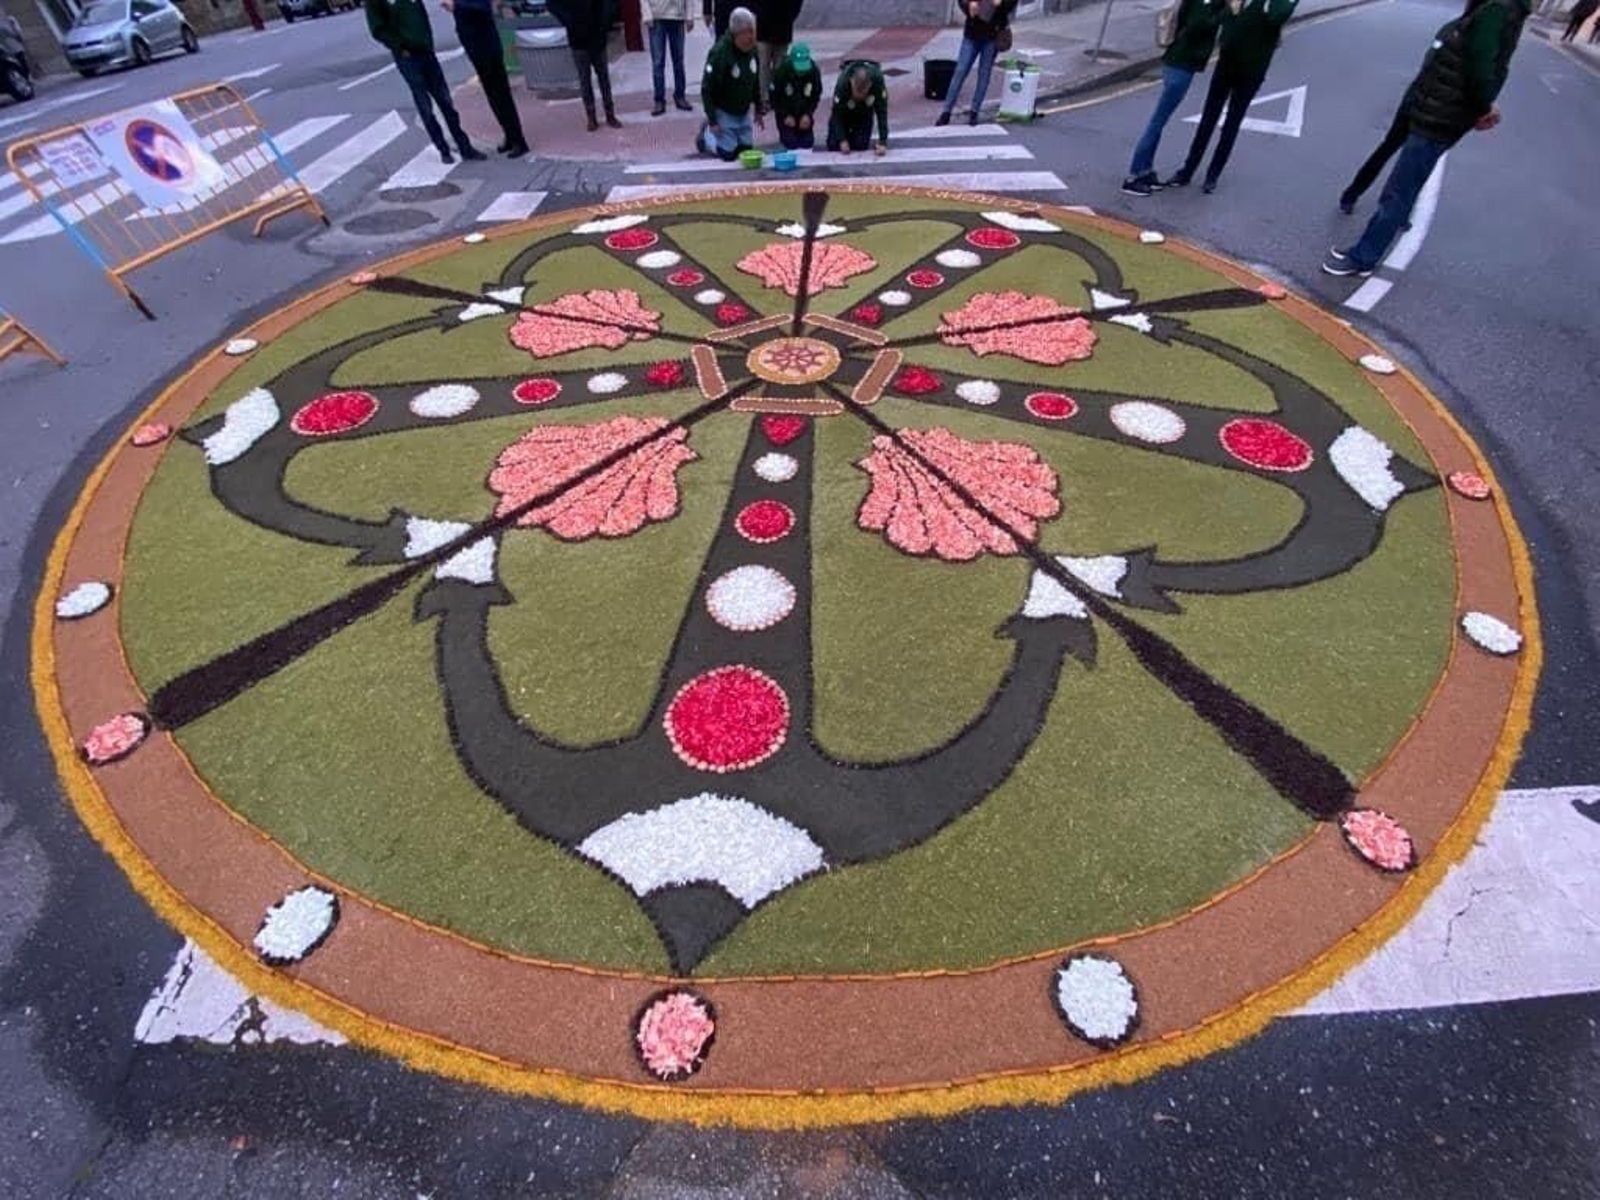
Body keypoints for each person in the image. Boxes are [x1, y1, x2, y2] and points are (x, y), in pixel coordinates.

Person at [1324, 0, 1531, 277]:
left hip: (1440, 116)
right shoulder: (1494, 9)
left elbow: (1483, 67)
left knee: (1399, 191)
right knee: (1401, 188)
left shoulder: (1496, 10)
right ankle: (1364, 248)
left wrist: (1483, 107)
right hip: (1432, 109)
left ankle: (1364, 258)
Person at [1165, 0, 1296, 193]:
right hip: (1226, 63)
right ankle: (1188, 170)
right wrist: (1231, 13)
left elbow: (1278, 15)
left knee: (1232, 124)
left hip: (1252, 70)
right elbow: (1223, 20)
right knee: (1208, 119)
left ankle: (1213, 175)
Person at [1121, 0, 1228, 195]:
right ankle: (1133, 175)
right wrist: (1223, 13)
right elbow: (1198, 24)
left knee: (1160, 122)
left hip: (1181, 61)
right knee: (1157, 122)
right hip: (1181, 63)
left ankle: (1146, 170)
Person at [366, 0, 486, 164]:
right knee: (425, 106)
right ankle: (443, 149)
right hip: (407, 57)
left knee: (446, 102)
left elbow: (421, 15)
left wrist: (428, 41)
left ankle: (465, 147)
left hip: (426, 52)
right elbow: (378, 29)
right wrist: (400, 46)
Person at [444, 0, 528, 157]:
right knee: (492, 95)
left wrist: (456, 6)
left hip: (487, 45)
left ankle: (519, 140)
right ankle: (509, 135)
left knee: (501, 94)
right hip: (475, 46)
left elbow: (483, 7)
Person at [936, 0, 1017, 127]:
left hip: (992, 37)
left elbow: (1011, 6)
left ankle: (974, 111)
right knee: (960, 71)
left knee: (984, 76)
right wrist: (968, 5)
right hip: (972, 35)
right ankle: (946, 112)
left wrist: (1001, 4)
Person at [698, 7, 765, 159]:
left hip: (742, 111)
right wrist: (713, 119)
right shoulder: (719, 53)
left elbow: (755, 81)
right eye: (749, 32)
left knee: (745, 152)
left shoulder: (752, 50)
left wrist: (758, 109)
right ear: (737, 33)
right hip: (724, 111)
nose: (752, 37)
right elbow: (706, 89)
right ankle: (706, 136)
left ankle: (734, 137)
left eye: (753, 31)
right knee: (728, 155)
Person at [547, 0, 622, 131]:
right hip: (578, 39)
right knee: (585, 80)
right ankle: (591, 116)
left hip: (598, 35)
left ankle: (610, 114)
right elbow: (552, 4)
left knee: (604, 78)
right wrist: (569, 22)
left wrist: (606, 22)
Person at [645, 0, 696, 116]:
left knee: (679, 60)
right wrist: (647, 14)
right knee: (658, 62)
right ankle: (659, 99)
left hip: (677, 16)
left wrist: (690, 16)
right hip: (656, 17)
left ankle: (680, 95)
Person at [827, 59, 889, 155]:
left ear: (870, 85)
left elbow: (882, 112)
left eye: (863, 93)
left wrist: (883, 142)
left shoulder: (878, 82)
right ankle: (845, 136)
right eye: (857, 92)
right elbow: (837, 114)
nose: (859, 97)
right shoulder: (842, 83)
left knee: (861, 145)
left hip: (864, 112)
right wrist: (842, 139)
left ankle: (855, 136)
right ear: (851, 81)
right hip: (844, 112)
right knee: (833, 145)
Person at [770, 42, 822, 149]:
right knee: (791, 143)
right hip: (786, 111)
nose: (801, 71)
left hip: (803, 112)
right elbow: (774, 98)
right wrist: (785, 115)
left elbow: (815, 95)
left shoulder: (813, 71)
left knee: (807, 143)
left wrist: (808, 114)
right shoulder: (781, 71)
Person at [753, 0, 804, 100]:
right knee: (763, 65)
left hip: (782, 24)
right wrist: (759, 11)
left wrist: (791, 15)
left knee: (780, 67)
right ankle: (764, 97)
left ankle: (777, 96)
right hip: (765, 24)